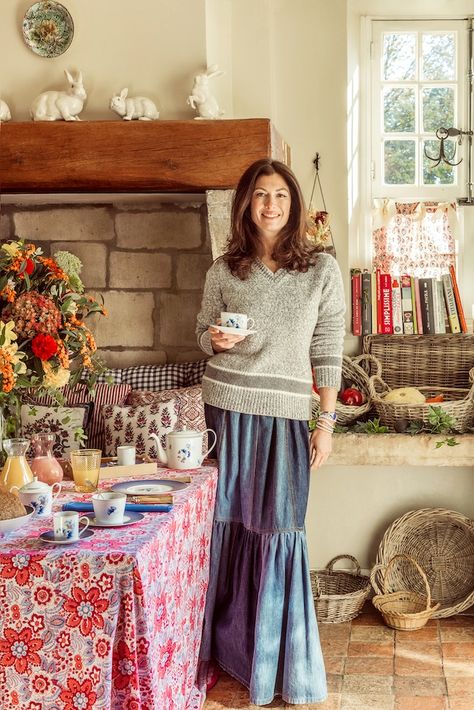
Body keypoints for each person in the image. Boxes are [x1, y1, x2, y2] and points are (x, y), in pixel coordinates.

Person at [196, 158, 345, 706]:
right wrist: (217, 341)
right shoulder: (223, 269)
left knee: (278, 529)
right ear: (245, 204)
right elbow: (202, 334)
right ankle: (221, 655)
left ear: (294, 203)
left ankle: (276, 665)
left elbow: (328, 351)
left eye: (280, 195)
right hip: (226, 409)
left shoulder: (321, 270)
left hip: (286, 417)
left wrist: (324, 424)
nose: (271, 205)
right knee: (225, 529)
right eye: (260, 195)